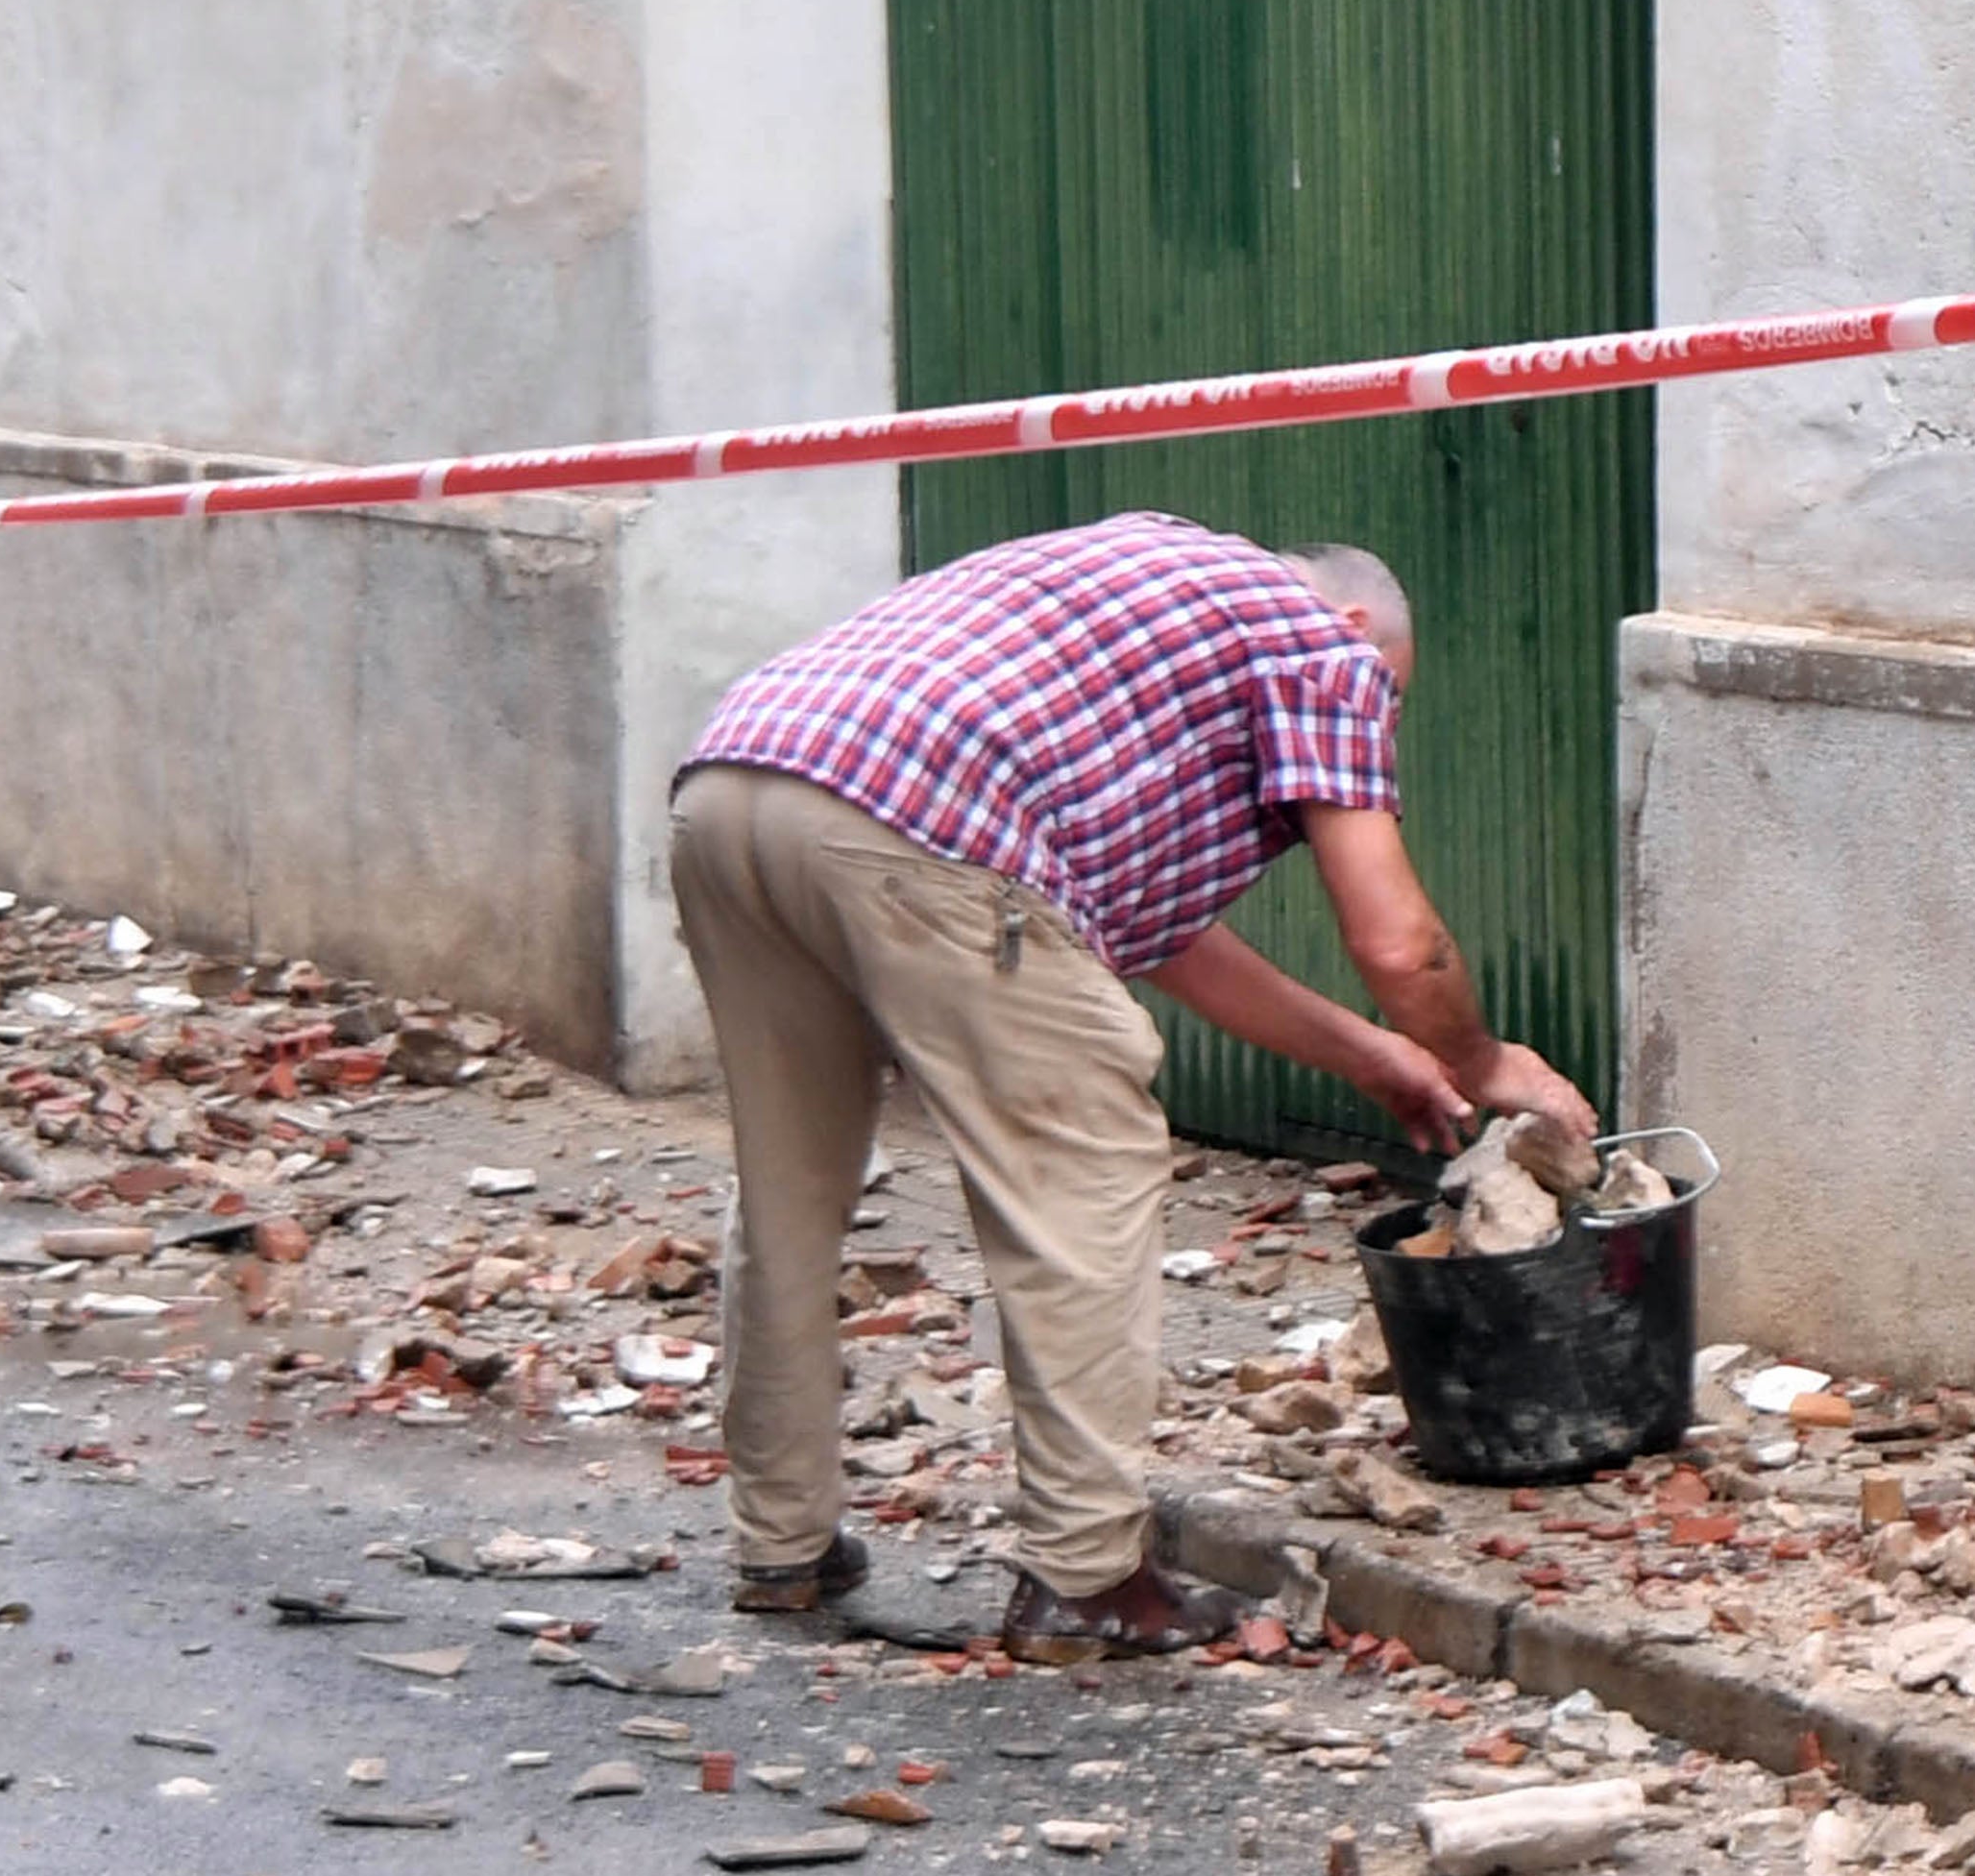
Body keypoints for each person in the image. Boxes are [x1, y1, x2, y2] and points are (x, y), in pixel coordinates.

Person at [671, 513, 1584, 1659]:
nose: (1369, 733)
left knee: (789, 1188)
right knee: (1085, 1173)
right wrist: (1480, 1061)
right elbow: (1400, 943)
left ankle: (781, 1543)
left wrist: (1372, 1054)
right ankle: (1084, 1574)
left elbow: (1152, 939)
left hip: (736, 789)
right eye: (1385, 701)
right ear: (1358, 628)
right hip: (920, 823)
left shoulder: (1147, 586)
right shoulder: (1321, 642)